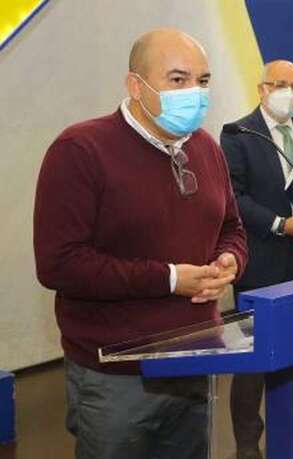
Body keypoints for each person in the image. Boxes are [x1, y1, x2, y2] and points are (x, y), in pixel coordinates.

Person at [33, 28, 248, 459]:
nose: (194, 92)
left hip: (196, 357)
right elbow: (59, 264)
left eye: (202, 81)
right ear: (136, 85)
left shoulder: (206, 148)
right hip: (116, 374)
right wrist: (169, 279)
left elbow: (232, 227)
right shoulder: (80, 150)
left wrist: (229, 261)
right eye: (177, 79)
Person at [220, 60, 293, 459]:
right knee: (253, 363)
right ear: (261, 89)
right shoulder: (238, 134)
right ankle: (246, 444)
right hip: (258, 264)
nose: (287, 92)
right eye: (279, 84)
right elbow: (234, 198)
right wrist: (278, 224)